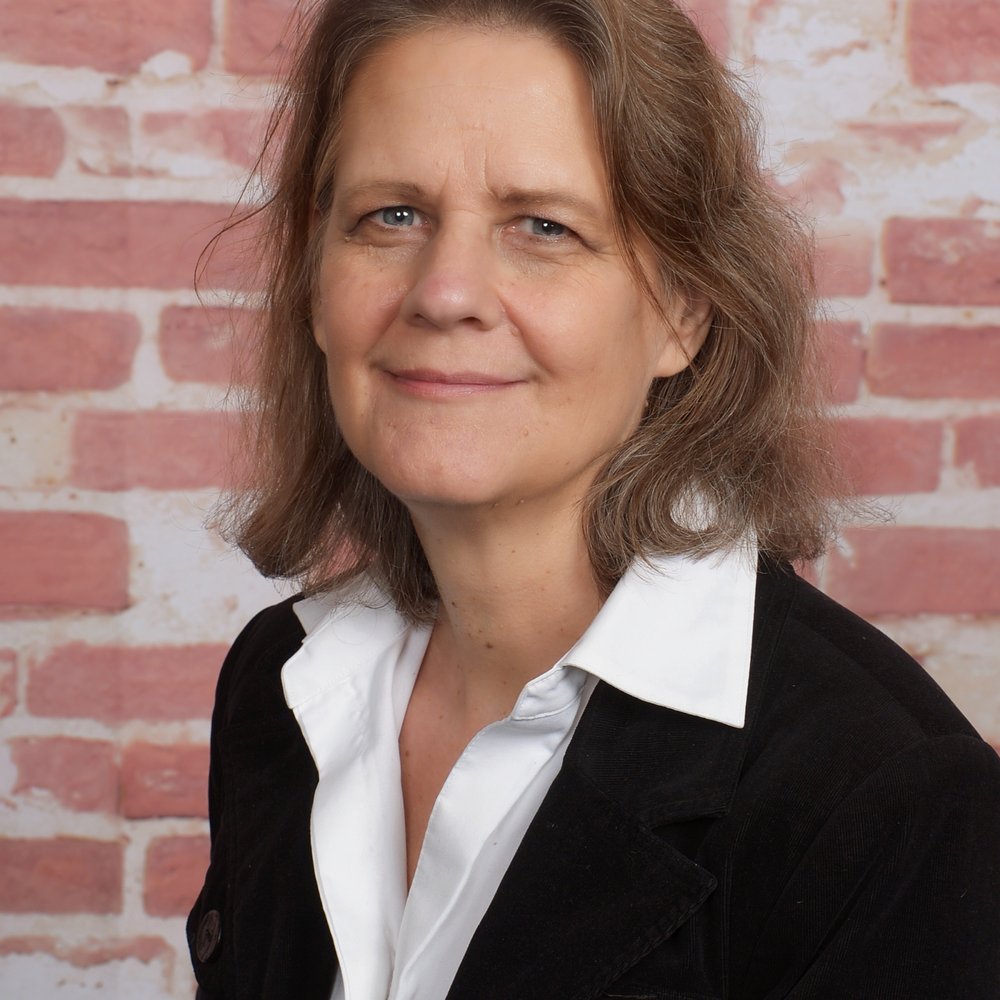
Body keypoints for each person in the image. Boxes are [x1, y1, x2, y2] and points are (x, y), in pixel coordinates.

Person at [187, 1, 1000, 997]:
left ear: (683, 311)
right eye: (390, 215)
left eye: (544, 227)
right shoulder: (279, 682)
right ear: (316, 279)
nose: (445, 292)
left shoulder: (879, 796)